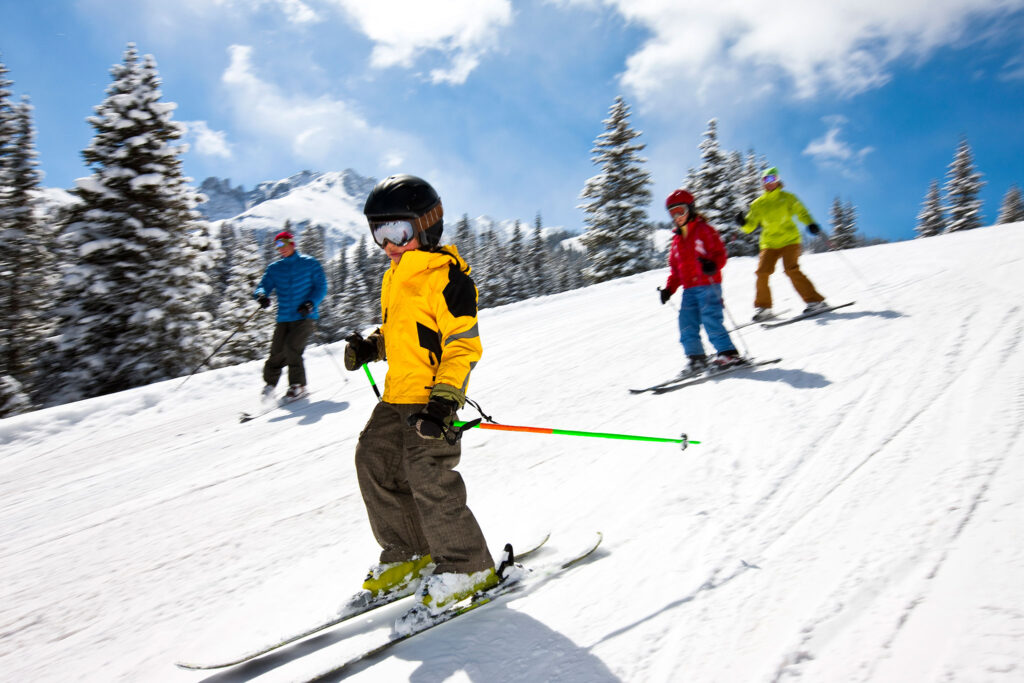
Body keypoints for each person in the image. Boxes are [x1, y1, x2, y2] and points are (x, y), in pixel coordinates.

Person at [343, 174, 496, 618]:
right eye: (380, 234)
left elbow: (461, 345)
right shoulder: (396, 276)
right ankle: (410, 553)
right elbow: (404, 333)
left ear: (426, 226)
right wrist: (372, 346)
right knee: (373, 461)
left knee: (427, 475)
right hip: (397, 396)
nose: (389, 244)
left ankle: (468, 565)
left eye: (399, 232)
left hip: (433, 401)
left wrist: (445, 402)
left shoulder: (448, 280)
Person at [659, 189, 742, 375]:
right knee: (686, 322)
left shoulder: (705, 230)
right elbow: (676, 271)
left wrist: (713, 265)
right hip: (689, 289)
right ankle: (696, 359)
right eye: (672, 213)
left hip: (708, 284)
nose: (677, 216)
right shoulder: (676, 241)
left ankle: (728, 354)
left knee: (710, 317)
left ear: (691, 209)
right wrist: (669, 289)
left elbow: (720, 254)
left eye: (680, 211)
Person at [736, 167, 827, 321]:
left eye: (772, 179)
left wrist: (810, 223)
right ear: (762, 183)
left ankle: (815, 301)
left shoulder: (788, 198)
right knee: (762, 272)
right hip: (769, 243)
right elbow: (750, 226)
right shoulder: (758, 204)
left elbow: (802, 212)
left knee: (791, 269)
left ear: (778, 180)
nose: (769, 183)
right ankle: (764, 308)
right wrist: (743, 223)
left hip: (790, 240)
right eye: (766, 180)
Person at [253, 230, 327, 399]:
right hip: (284, 317)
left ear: (292, 244)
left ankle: (298, 385)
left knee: (292, 347)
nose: (281, 248)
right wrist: (262, 296)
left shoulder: (310, 263)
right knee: (276, 351)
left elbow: (321, 287)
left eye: (284, 244)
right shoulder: (275, 269)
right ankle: (270, 385)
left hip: (305, 316)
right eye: (278, 245)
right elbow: (262, 286)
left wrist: (310, 303)